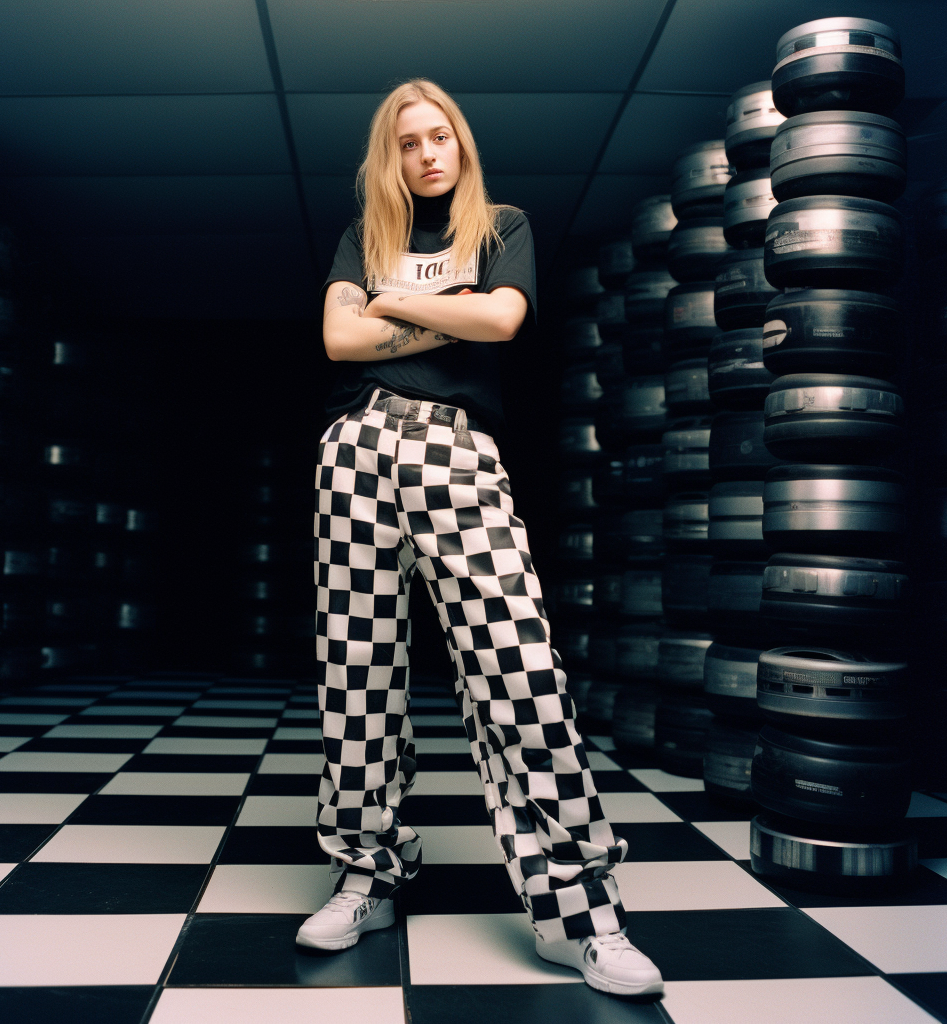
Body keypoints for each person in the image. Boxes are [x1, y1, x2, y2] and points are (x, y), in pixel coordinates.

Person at [300, 78, 663, 999]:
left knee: (519, 672)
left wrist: (388, 308)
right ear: (388, 159)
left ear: (460, 143)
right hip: (356, 450)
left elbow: (501, 319)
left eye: (440, 137)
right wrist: (434, 314)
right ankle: (367, 873)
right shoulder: (364, 237)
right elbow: (338, 344)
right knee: (356, 676)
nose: (427, 154)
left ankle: (580, 914)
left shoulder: (502, 228)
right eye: (408, 143)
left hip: (458, 455)